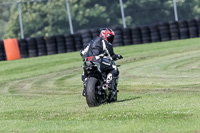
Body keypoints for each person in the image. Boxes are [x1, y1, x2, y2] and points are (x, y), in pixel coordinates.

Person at [80, 28, 123, 96]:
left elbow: (82, 53)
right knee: (114, 68)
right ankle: (108, 84)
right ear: (104, 35)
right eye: (109, 37)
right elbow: (111, 56)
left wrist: (86, 58)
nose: (110, 39)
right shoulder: (104, 42)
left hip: (87, 61)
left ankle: (85, 87)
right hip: (98, 61)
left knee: (85, 72)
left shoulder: (91, 42)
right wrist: (117, 56)